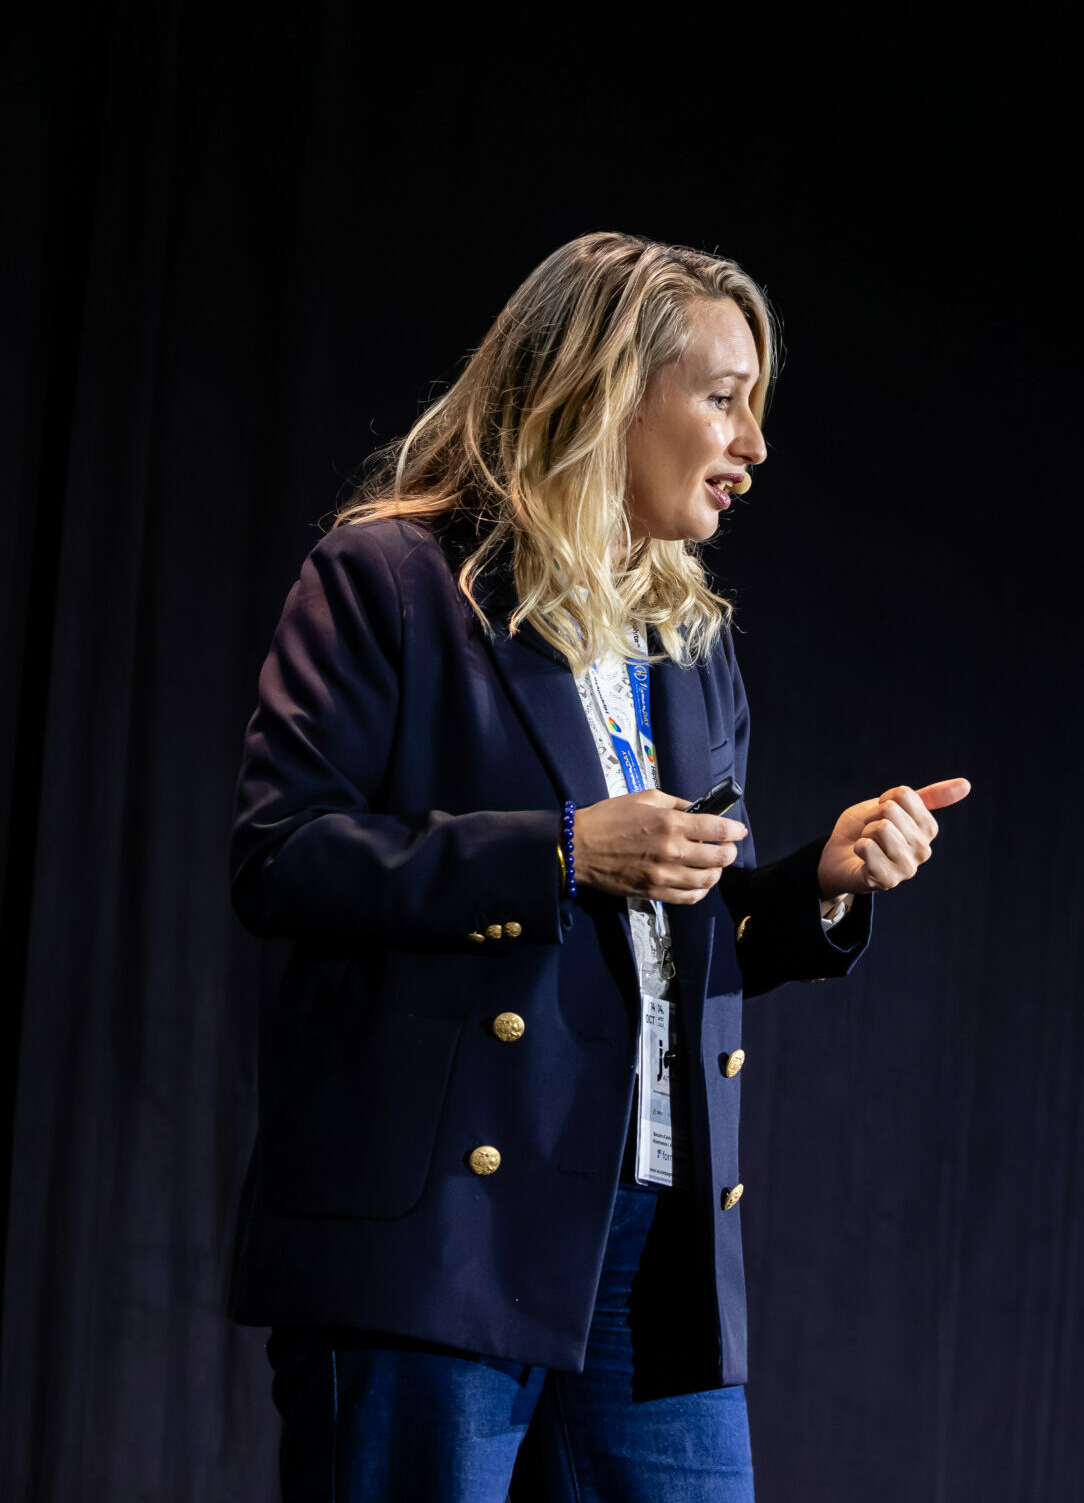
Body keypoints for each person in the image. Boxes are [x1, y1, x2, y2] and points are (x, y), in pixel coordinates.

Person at [228, 231, 969, 1501]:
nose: (754, 445)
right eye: (724, 399)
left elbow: (684, 931)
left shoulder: (689, 639)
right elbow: (281, 856)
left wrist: (819, 885)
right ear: (607, 392)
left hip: (649, 1236)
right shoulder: (394, 580)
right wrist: (562, 853)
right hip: (443, 1231)